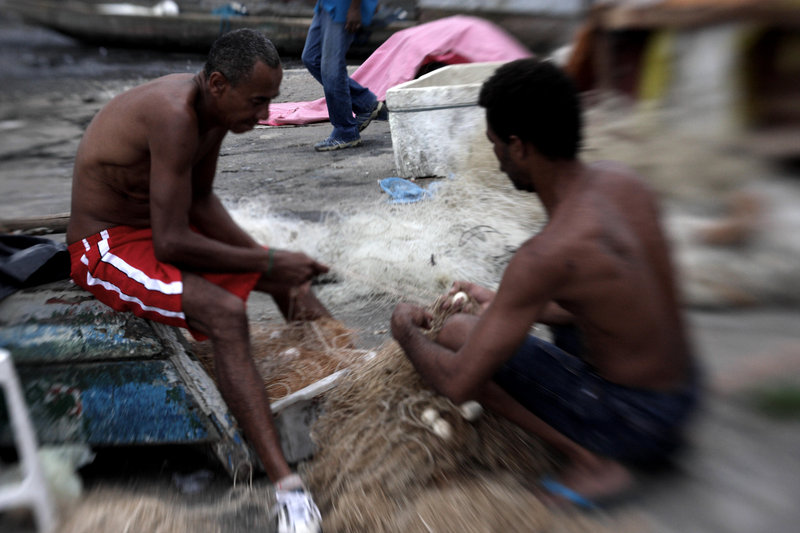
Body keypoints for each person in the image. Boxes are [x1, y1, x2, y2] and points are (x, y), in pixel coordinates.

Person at [390, 58, 700, 507]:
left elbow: (458, 383)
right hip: (683, 394)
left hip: (638, 423)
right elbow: (607, 299)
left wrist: (404, 330)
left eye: (496, 145)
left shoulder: (545, 256)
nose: (498, 161)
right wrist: (500, 301)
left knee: (457, 333)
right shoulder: (624, 182)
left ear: (518, 147)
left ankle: (593, 463)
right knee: (505, 323)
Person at [66, 29, 326, 532]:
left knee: (288, 281)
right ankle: (288, 489)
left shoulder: (218, 110)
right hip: (106, 247)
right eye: (257, 102)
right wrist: (267, 261)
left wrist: (271, 264)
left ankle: (350, 387)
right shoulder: (175, 115)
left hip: (159, 229)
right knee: (226, 313)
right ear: (218, 83)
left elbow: (201, 200)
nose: (265, 115)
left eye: (270, 101)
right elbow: (171, 243)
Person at [302, 0, 385, 151]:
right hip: (326, 5)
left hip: (343, 7)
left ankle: (345, 131)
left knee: (332, 69)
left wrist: (355, 8)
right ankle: (365, 103)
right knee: (312, 58)